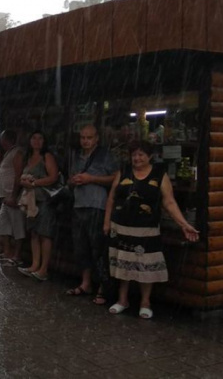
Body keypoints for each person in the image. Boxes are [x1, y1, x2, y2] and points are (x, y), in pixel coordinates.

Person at [103, 140, 198, 319]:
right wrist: (106, 222)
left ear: (150, 156)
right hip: (121, 226)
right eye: (134, 155)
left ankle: (145, 302)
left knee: (146, 265)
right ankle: (122, 299)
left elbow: (169, 202)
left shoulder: (159, 175)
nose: (137, 158)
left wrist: (184, 224)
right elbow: (111, 199)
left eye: (141, 155)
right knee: (123, 263)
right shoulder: (123, 172)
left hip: (146, 229)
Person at [65, 125, 118, 305]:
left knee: (98, 249)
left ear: (97, 139)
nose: (85, 141)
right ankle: (86, 283)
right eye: (83, 137)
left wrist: (92, 179)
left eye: (89, 137)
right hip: (79, 205)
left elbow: (116, 178)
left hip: (97, 206)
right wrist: (73, 181)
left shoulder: (105, 156)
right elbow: (70, 179)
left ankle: (104, 287)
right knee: (82, 248)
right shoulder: (78, 157)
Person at [17, 130, 60, 281]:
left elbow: (53, 177)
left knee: (44, 233)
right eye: (34, 138)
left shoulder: (46, 157)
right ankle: (35, 264)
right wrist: (24, 182)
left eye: (40, 138)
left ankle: (44, 269)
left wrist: (35, 183)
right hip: (31, 201)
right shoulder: (28, 158)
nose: (37, 141)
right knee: (34, 233)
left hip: (44, 200)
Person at [0, 129, 27, 264]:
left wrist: (14, 195)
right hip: (5, 197)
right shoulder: (9, 153)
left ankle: (17, 255)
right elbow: (4, 171)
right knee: (3, 223)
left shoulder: (17, 152)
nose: (1, 142)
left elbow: (18, 174)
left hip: (12, 197)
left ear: (6, 140)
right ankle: (7, 251)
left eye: (2, 139)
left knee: (17, 226)